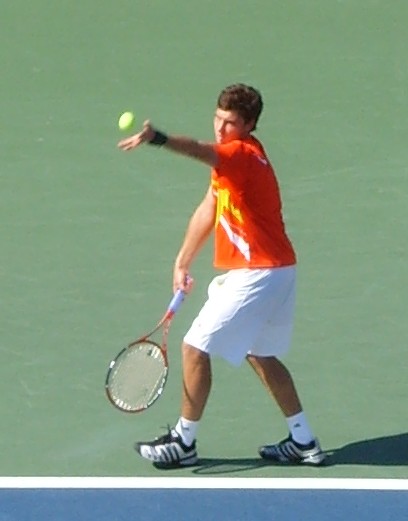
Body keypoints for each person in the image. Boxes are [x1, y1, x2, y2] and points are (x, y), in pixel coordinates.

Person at [118, 83, 326, 468]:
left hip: (260, 274)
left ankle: (184, 442)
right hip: (277, 271)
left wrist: (157, 138)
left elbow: (200, 150)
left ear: (249, 125)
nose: (220, 127)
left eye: (230, 122)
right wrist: (182, 260)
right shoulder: (234, 164)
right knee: (261, 353)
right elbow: (210, 206)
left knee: (195, 347)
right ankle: (304, 440)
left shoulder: (241, 156)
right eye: (217, 118)